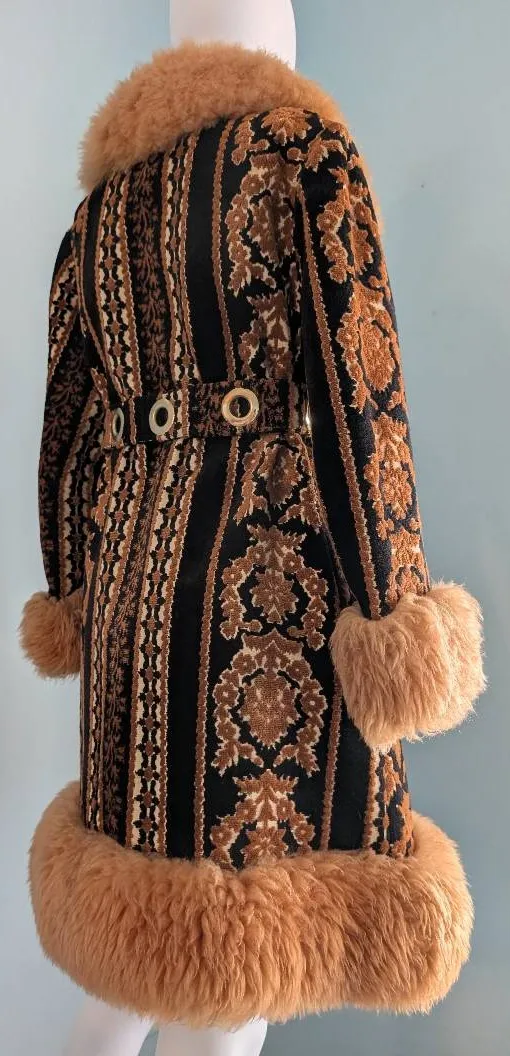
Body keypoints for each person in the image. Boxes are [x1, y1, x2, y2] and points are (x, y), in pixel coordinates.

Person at [22, 1, 485, 1053]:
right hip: (265, 600)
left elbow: (66, 437)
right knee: (239, 962)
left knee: (140, 944)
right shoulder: (300, 151)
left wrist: (74, 589)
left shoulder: (100, 212)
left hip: (132, 599)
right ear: (273, 27)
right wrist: (396, 612)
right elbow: (363, 395)